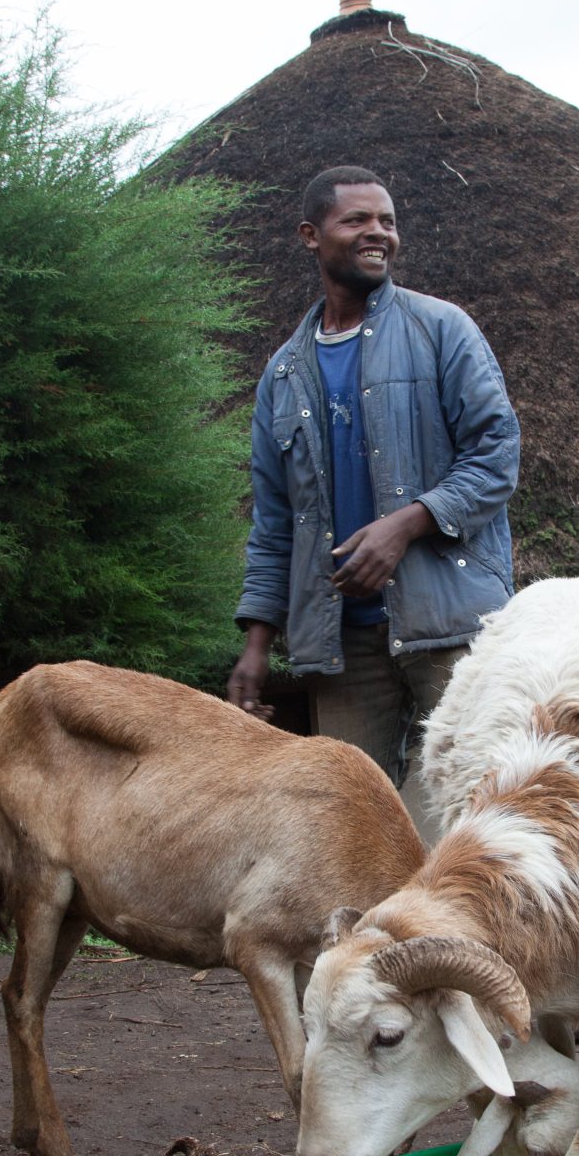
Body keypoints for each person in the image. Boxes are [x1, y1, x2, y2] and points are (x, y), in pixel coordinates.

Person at [227, 165, 520, 811]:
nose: (378, 233)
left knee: (480, 812)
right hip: (343, 645)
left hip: (453, 628)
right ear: (311, 234)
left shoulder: (441, 329)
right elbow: (276, 523)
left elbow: (497, 455)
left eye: (387, 221)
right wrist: (255, 647)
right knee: (348, 824)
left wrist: (408, 523)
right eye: (357, 220)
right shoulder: (282, 376)